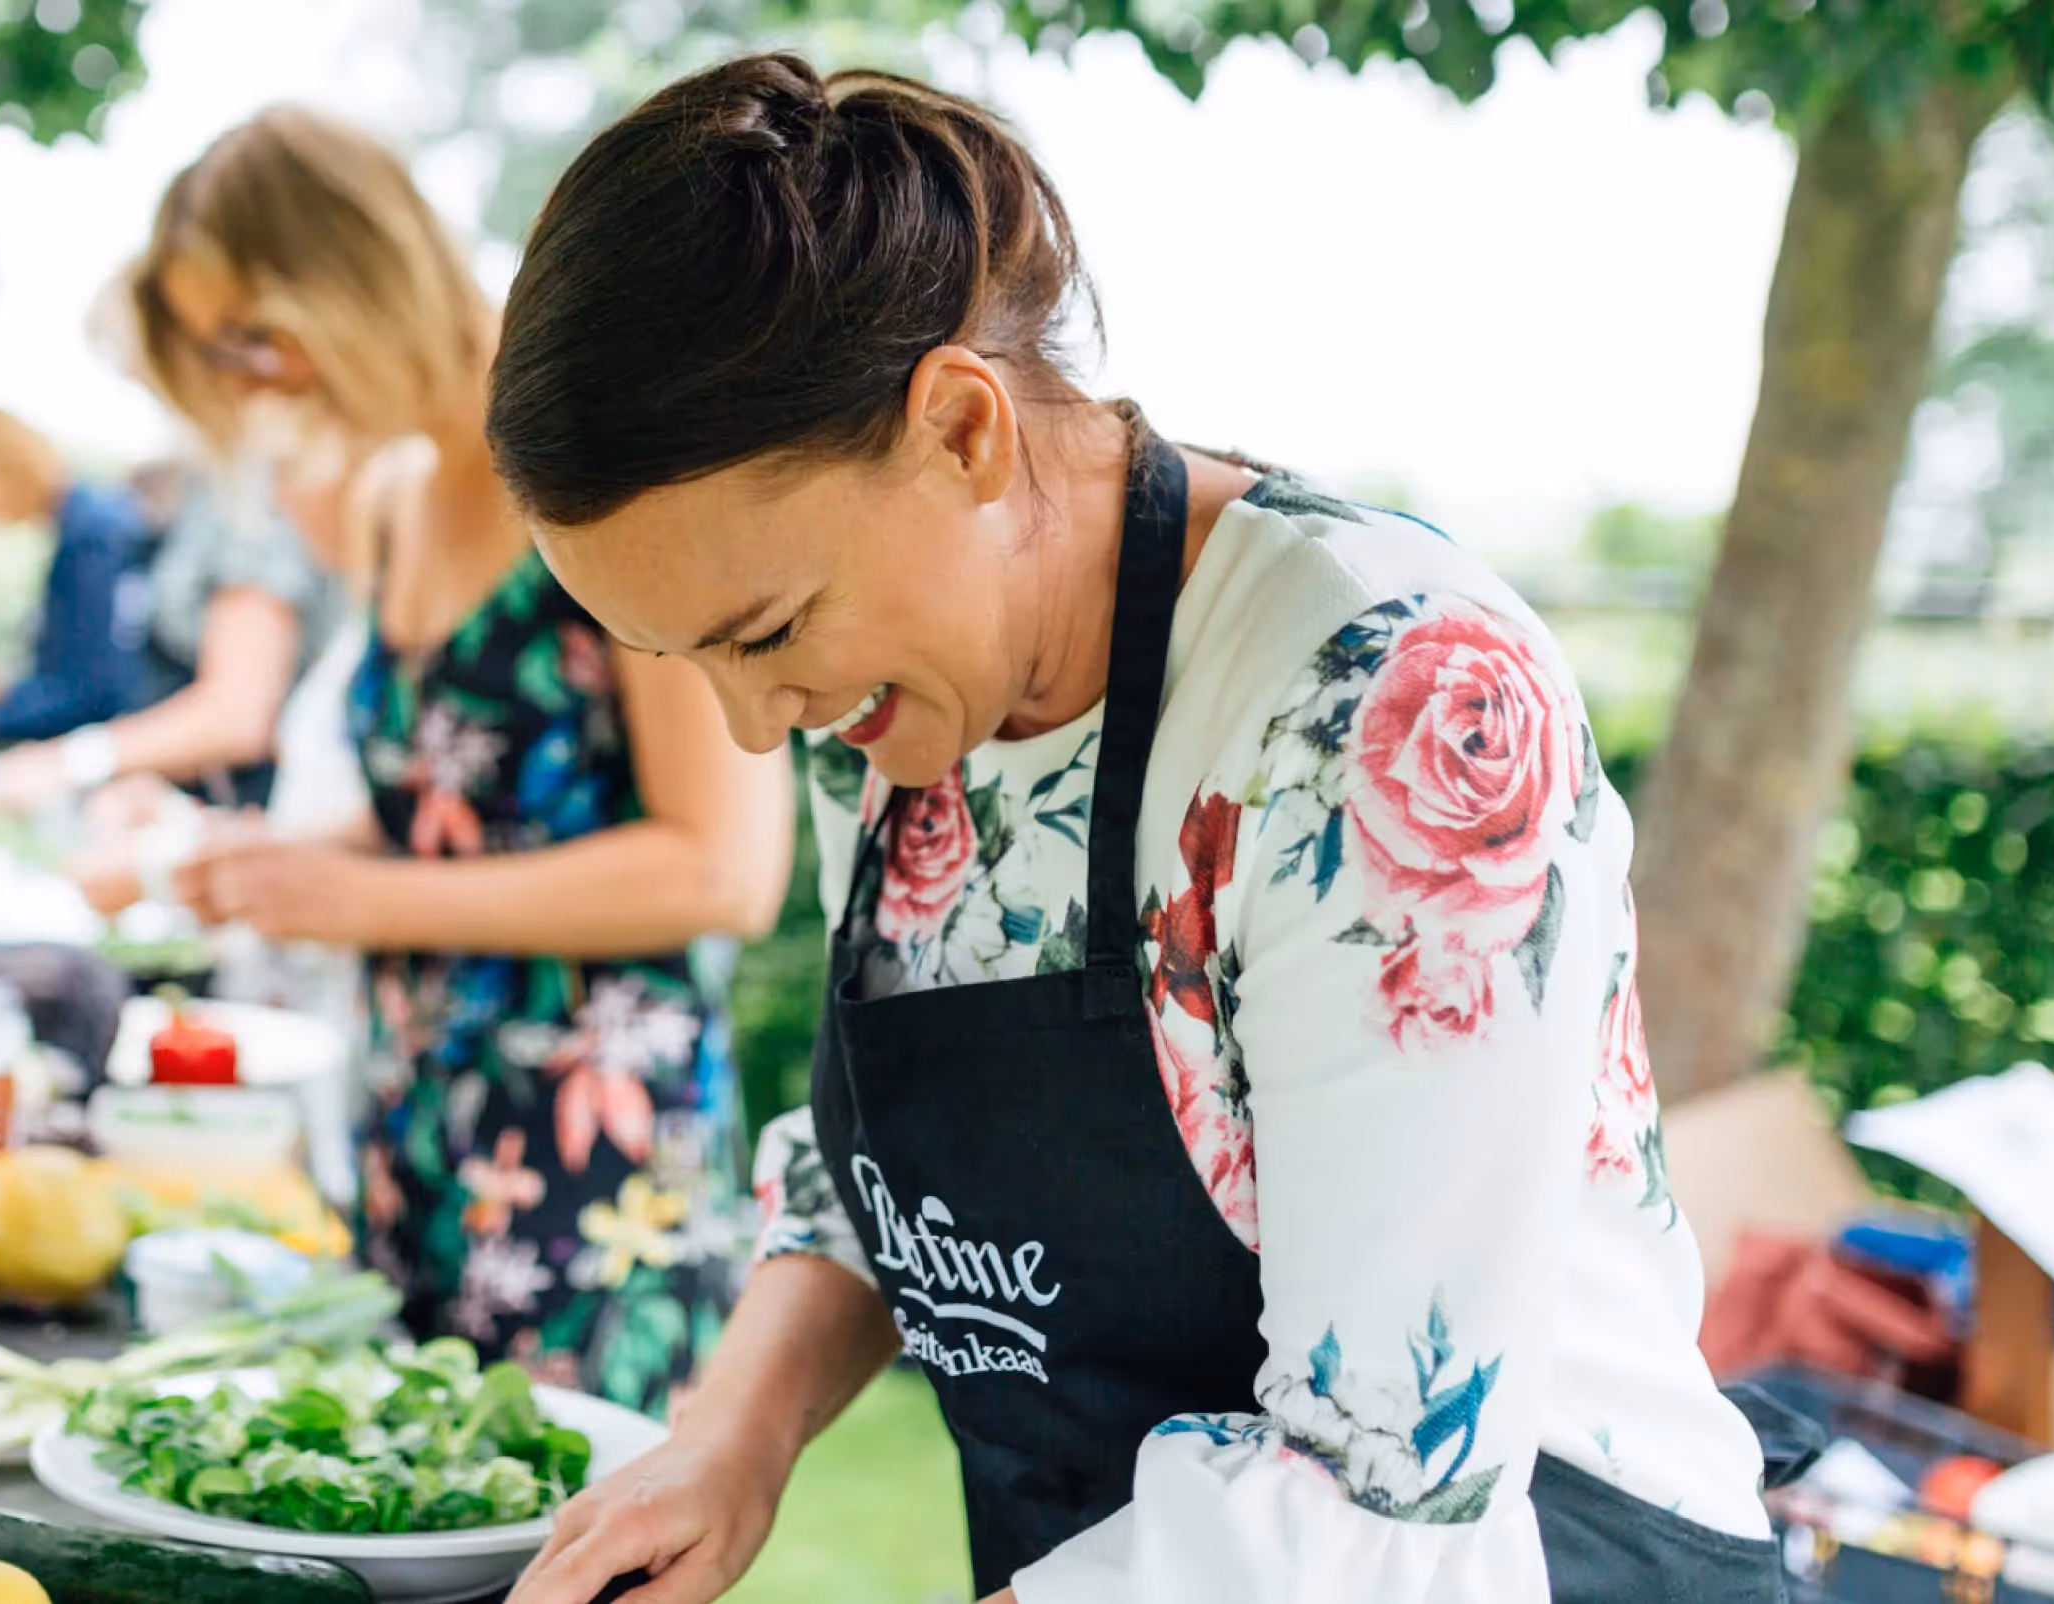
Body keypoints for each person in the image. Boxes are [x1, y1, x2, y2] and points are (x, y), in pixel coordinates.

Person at [491, 55, 1786, 1604]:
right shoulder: (901, 702)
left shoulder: (1376, 696)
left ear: (962, 431)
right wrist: (732, 1438)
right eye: (681, 657)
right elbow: (886, 1177)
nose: (750, 725)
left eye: (763, 631)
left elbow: (1385, 1496)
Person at [145, 107, 796, 1416]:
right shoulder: (390, 499)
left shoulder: (601, 459)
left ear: (354, 280)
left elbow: (723, 871)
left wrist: (365, 899)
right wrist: (275, 866)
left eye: (252, 342)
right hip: (413, 1140)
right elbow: (450, 817)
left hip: (589, 1172)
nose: (254, 389)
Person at [0, 429, 338, 813]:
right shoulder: (201, 480)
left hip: (262, 801)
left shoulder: (246, 481)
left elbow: (236, 716)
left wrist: (68, 760)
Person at [0, 407, 173, 745]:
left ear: (0, 473)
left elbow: (94, 689)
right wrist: (2, 689)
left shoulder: (91, 537)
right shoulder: (82, 524)